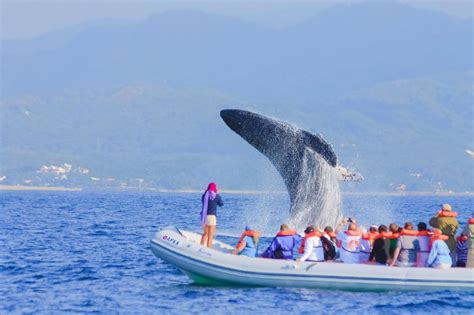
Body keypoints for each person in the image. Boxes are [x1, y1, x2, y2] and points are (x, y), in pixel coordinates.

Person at [200, 182, 224, 248]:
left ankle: (200, 247)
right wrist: (218, 194)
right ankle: (208, 251)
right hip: (212, 218)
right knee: (210, 237)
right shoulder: (216, 196)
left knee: (205, 234)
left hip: (204, 217)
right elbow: (221, 204)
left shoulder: (204, 195)